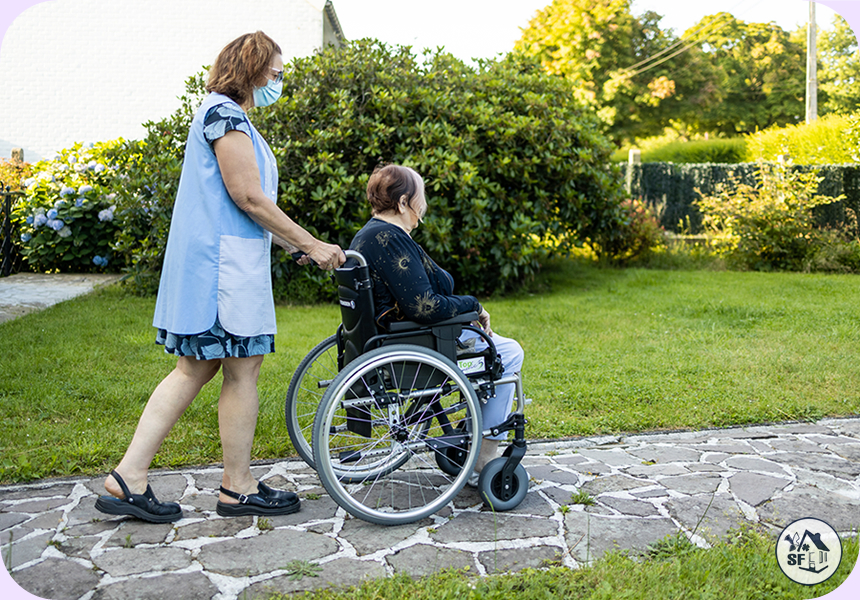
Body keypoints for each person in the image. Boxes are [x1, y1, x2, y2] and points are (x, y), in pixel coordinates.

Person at [95, 31, 345, 523]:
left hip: (225, 264)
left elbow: (244, 204)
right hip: (220, 271)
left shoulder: (227, 116)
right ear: (252, 70)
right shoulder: (225, 115)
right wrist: (311, 243)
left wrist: (293, 244)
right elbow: (247, 196)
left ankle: (138, 478)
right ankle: (228, 486)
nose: (279, 81)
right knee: (226, 368)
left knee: (208, 367)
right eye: (276, 72)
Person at [350, 164, 525, 485]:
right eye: (420, 197)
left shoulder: (368, 235)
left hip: (394, 339)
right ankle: (484, 456)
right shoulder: (390, 239)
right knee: (509, 353)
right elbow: (424, 306)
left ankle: (472, 435)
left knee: (497, 349)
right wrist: (473, 305)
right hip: (417, 342)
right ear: (403, 202)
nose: (424, 206)